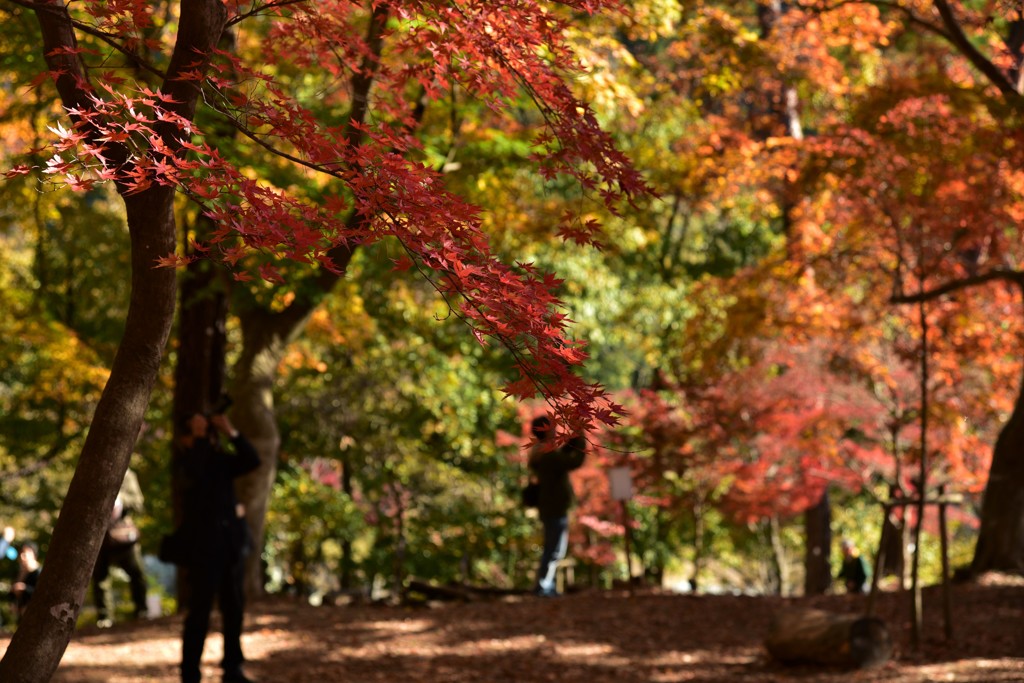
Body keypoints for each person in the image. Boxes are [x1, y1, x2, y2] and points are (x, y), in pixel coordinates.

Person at [178, 411, 261, 683]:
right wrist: (199, 436)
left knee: (234, 607)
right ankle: (190, 674)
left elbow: (252, 460)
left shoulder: (220, 462)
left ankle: (233, 668)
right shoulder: (186, 462)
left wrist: (231, 431)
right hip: (202, 551)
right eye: (197, 431)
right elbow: (195, 471)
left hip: (230, 547)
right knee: (199, 612)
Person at [527, 415, 586, 597]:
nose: (556, 430)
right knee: (554, 549)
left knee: (553, 549)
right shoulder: (547, 454)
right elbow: (572, 462)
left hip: (550, 506)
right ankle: (543, 586)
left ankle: (546, 585)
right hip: (554, 507)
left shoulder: (542, 452)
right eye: (552, 427)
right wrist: (581, 439)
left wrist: (571, 442)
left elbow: (562, 457)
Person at [92, 465, 148, 627]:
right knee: (100, 578)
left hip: (124, 535)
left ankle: (141, 611)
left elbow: (138, 502)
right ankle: (104, 617)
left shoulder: (128, 475)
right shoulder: (94, 471)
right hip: (101, 536)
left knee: (138, 574)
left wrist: (120, 500)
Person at [12, 542, 41, 620]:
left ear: (33, 554)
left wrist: (24, 588)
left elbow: (41, 593)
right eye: (20, 554)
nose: (22, 557)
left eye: (25, 554)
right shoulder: (20, 572)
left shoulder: (38, 572)